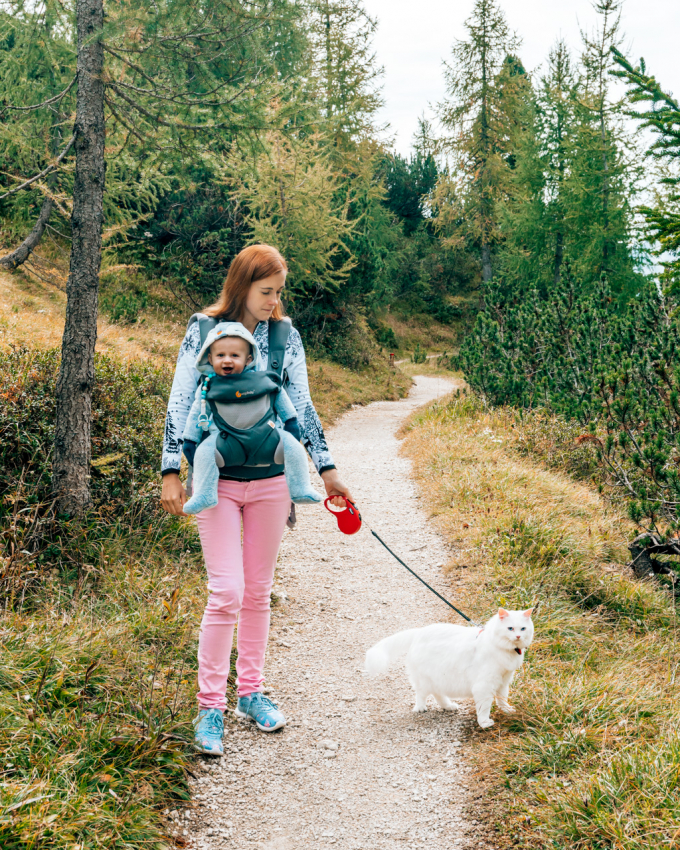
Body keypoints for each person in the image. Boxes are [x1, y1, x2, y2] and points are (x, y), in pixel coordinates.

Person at [160, 244, 353, 755]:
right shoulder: (203, 330)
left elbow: (303, 407)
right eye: (266, 291)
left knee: (257, 592)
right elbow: (180, 400)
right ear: (243, 284)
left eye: (279, 292)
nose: (274, 301)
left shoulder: (286, 337)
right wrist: (169, 470)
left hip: (271, 483)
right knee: (225, 591)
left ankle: (250, 693)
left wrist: (326, 469)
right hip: (217, 482)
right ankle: (209, 709)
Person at [182, 321, 321, 514]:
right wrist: (190, 440)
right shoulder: (207, 387)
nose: (227, 360)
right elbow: (196, 413)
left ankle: (300, 488)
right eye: (220, 355)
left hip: (268, 438)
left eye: (234, 355)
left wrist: (290, 422)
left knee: (293, 448)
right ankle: (204, 495)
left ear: (248, 359)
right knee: (204, 454)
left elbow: (280, 397)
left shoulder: (263, 379)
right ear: (210, 357)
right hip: (224, 442)